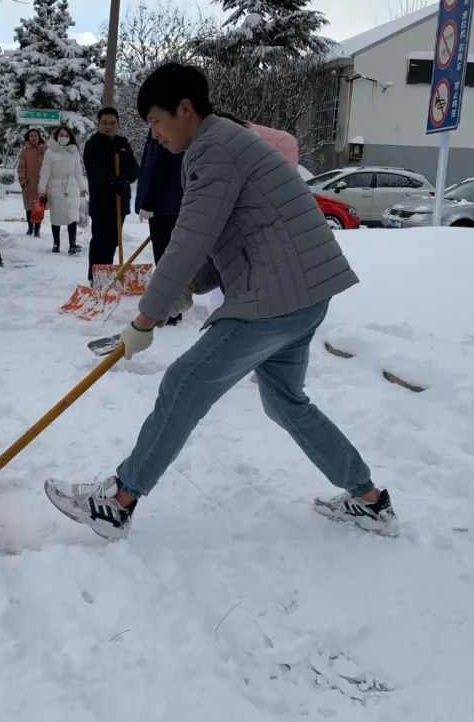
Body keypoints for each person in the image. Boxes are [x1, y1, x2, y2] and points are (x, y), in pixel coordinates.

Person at [44, 63, 399, 541]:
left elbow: (190, 238)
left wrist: (145, 319)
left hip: (274, 300)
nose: (153, 133)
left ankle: (118, 502)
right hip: (306, 296)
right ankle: (369, 499)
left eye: (155, 121)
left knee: (183, 383)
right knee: (286, 403)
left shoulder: (213, 149)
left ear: (184, 109)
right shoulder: (229, 145)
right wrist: (187, 288)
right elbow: (229, 238)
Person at [83, 107, 139, 281]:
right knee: (100, 240)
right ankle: (96, 277)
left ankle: (107, 275)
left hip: (120, 200)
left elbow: (133, 169)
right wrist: (111, 182)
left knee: (114, 240)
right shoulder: (93, 144)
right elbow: (94, 171)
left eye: (112, 123)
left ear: (118, 124)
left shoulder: (123, 143)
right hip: (101, 203)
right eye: (104, 123)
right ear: (98, 124)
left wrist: (123, 179)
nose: (108, 126)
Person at [135, 127, 184, 324]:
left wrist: (147, 202)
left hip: (162, 205)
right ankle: (174, 308)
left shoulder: (161, 126)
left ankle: (169, 310)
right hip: (179, 202)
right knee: (174, 259)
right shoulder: (181, 124)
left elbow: (156, 164)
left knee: (165, 261)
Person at [38, 124, 87, 255]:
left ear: (70, 137)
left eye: (66, 135)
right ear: (56, 136)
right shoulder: (50, 152)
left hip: (71, 187)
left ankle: (72, 244)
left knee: (72, 215)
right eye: (61, 135)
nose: (64, 137)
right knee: (56, 216)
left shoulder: (74, 151)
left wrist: (82, 187)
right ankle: (56, 244)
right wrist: (42, 189)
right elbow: (45, 172)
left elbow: (78, 170)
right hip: (56, 187)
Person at [17, 128, 48, 236]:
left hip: (42, 183)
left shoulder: (45, 149)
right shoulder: (25, 150)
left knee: (39, 206)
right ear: (28, 138)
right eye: (31, 136)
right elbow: (21, 167)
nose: (33, 138)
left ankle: (37, 229)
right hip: (29, 183)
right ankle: (30, 227)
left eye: (35, 135)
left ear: (39, 137)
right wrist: (22, 180)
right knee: (29, 207)